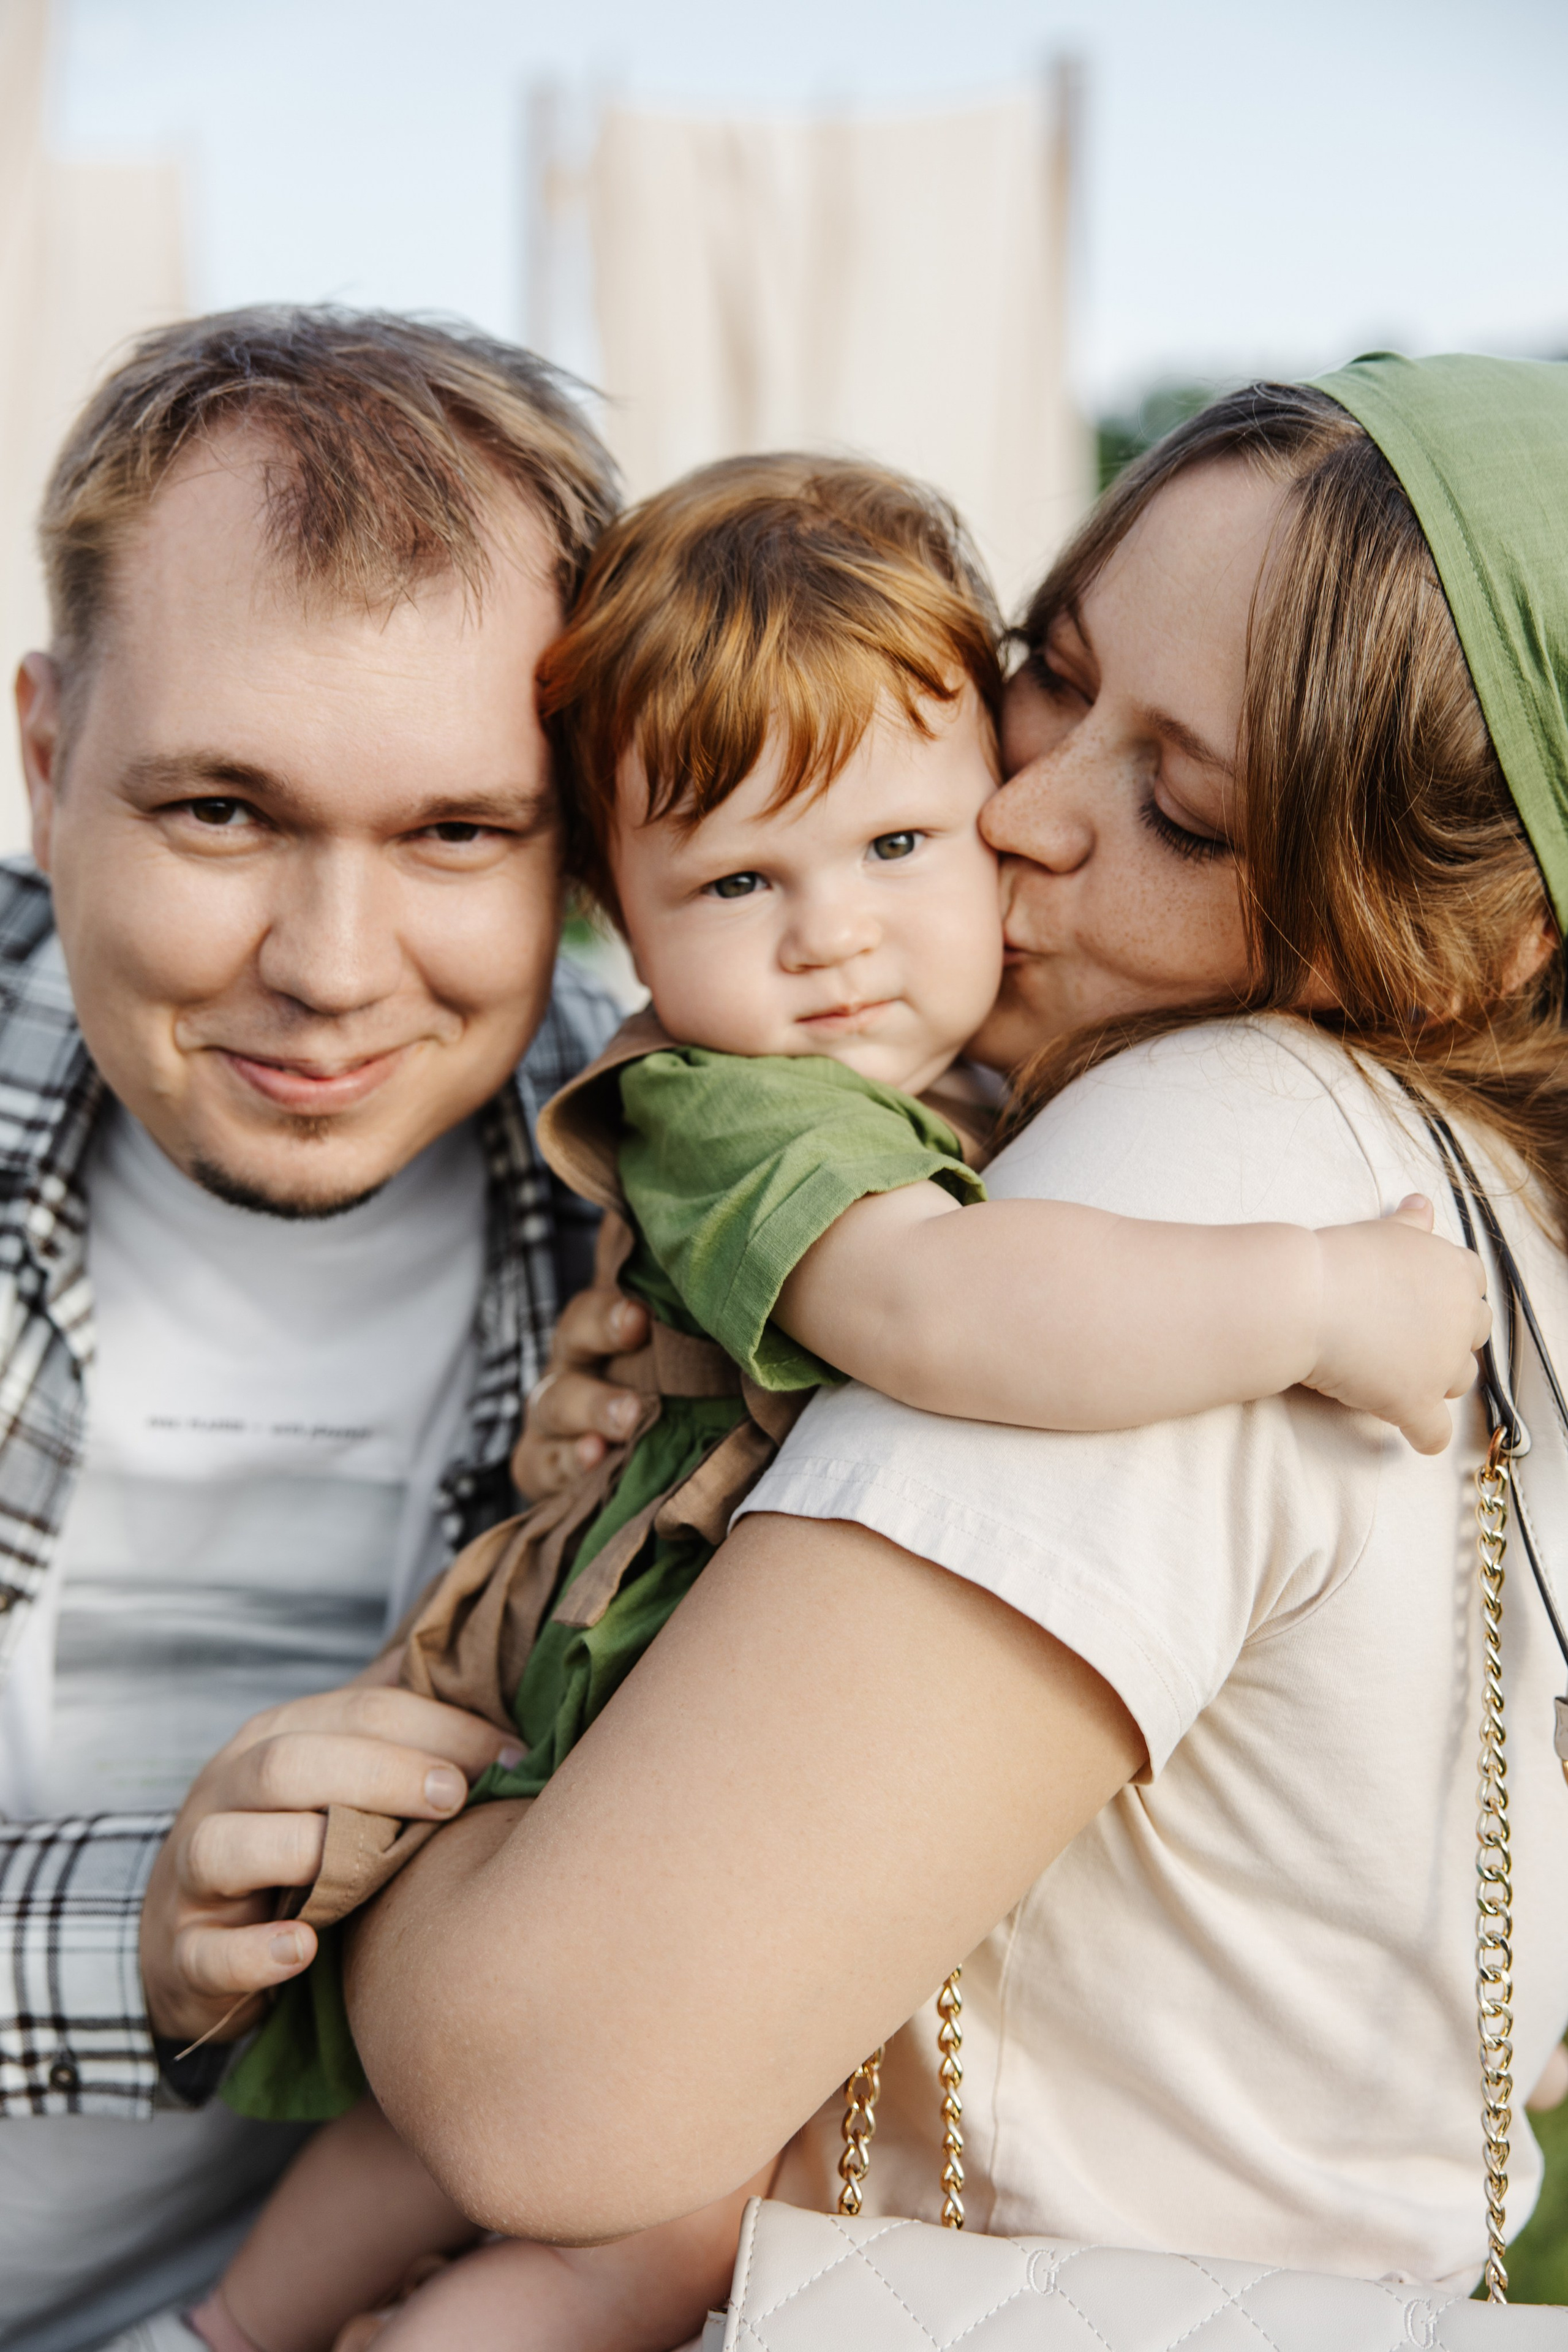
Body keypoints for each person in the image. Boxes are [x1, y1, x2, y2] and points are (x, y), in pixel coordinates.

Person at [182, 453, 1486, 2352]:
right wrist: (1309, 1297)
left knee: (597, 2192)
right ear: (617, 925)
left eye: (899, 848)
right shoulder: (737, 1103)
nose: (831, 937)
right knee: (615, 2192)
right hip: (614, 1664)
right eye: (736, 884)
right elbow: (941, 1307)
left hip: (662, 1680)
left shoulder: (961, 1084)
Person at [0, 307, 627, 2349]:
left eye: (458, 833)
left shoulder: (690, 1225)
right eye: (221, 815)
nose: (334, 971)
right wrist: (137, 1938)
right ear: (44, 756)